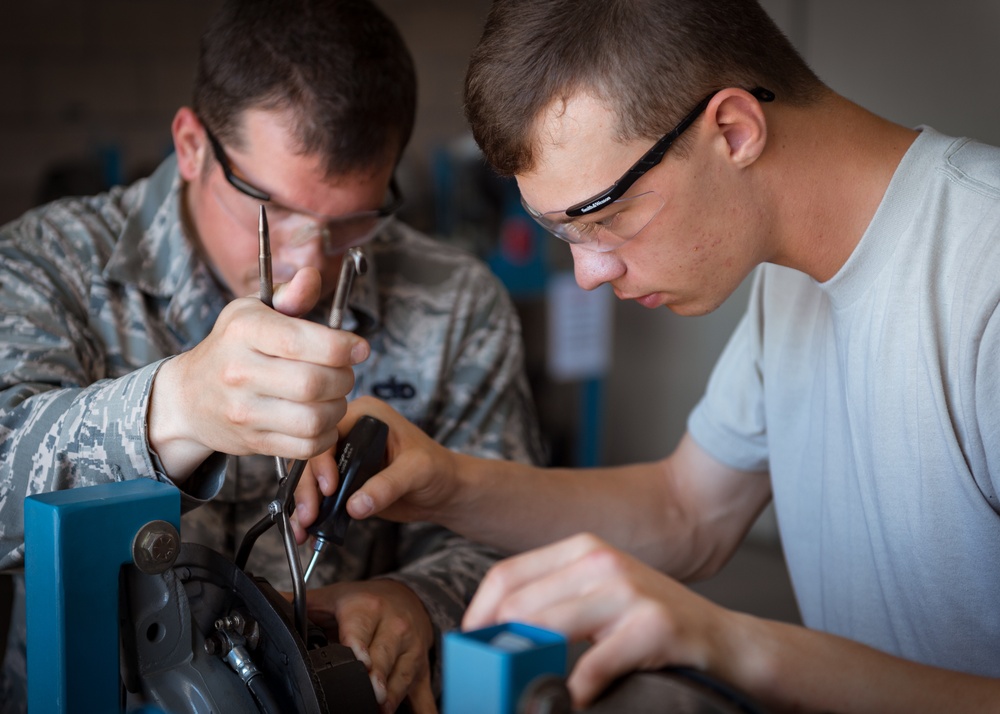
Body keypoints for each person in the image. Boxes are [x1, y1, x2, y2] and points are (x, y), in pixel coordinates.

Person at [332, 0, 1000, 711]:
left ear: (735, 130)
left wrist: (732, 644)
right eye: (565, 234)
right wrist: (447, 483)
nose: (589, 274)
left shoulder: (981, 280)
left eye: (607, 218)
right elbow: (689, 512)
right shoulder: (794, 281)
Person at [0, 1, 543, 712]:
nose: (306, 262)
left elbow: (514, 536)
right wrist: (172, 410)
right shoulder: (45, 265)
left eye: (353, 220)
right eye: (271, 210)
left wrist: (415, 600)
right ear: (192, 145)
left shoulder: (460, 305)